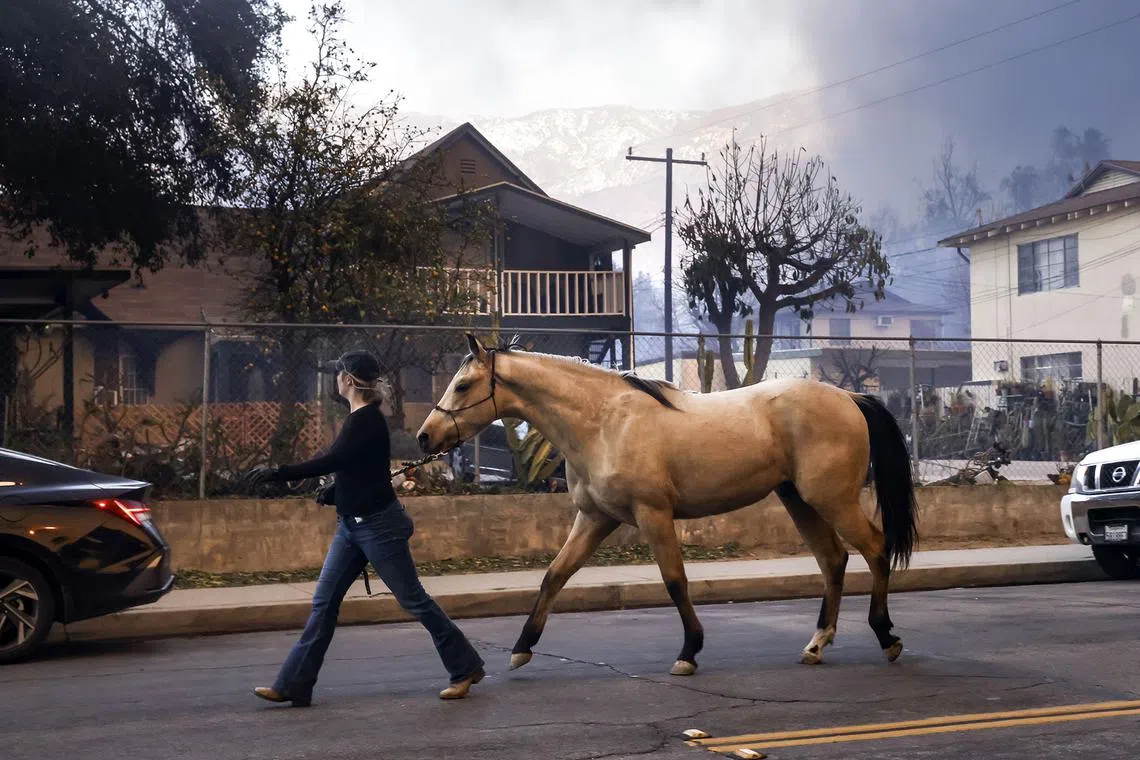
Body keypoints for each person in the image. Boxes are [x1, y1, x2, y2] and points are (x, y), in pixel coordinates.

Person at [243, 350, 485, 707]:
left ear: (349, 381)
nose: (335, 379)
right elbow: (362, 470)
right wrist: (336, 493)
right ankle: (294, 684)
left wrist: (278, 472)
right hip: (351, 528)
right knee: (323, 605)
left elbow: (334, 460)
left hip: (378, 527)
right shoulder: (359, 419)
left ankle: (465, 667)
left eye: (338, 374)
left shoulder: (366, 421)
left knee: (413, 600)